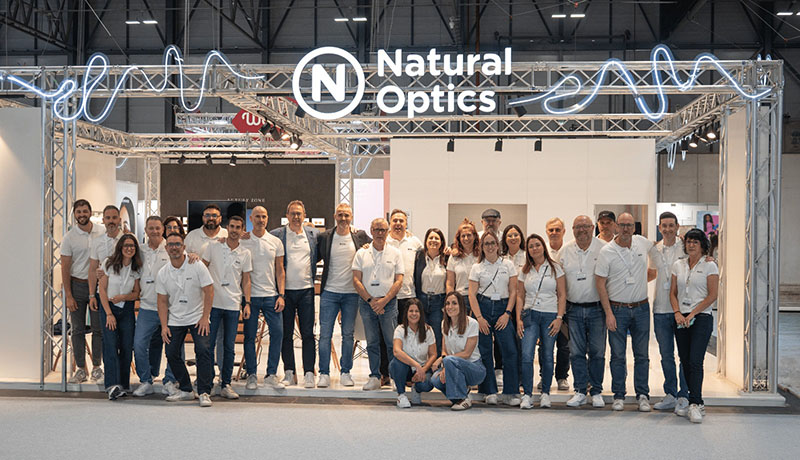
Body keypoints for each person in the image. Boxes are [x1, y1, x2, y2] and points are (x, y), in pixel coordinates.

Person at [595, 212, 653, 412]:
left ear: (634, 228)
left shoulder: (642, 243)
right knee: (618, 355)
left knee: (642, 355)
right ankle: (619, 394)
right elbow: (600, 283)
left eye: (629, 225)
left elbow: (662, 248)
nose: (626, 229)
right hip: (617, 309)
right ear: (616, 227)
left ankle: (643, 395)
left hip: (641, 309)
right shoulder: (607, 251)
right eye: (622, 225)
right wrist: (608, 313)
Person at [157, 232, 215, 407]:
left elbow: (209, 290)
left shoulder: (196, 265)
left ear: (184, 247)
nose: (174, 247)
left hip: (198, 317)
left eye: (177, 244)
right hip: (175, 319)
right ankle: (186, 390)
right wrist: (164, 326)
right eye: (171, 244)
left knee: (203, 350)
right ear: (166, 248)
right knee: (171, 353)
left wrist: (205, 317)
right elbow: (162, 301)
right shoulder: (163, 273)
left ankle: (204, 392)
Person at [317, 203, 371, 388]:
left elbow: (379, 244)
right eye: (340, 215)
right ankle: (324, 373)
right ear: (335, 216)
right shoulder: (325, 237)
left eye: (346, 215)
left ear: (351, 217)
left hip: (351, 294)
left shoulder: (359, 236)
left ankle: (345, 372)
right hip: (329, 293)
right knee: (325, 335)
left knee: (348, 335)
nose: (343, 218)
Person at [557, 216, 607, 408]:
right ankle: (579, 390)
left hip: (597, 309)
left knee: (597, 352)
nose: (582, 230)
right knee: (576, 352)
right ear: (572, 229)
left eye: (586, 226)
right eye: (578, 227)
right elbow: (558, 282)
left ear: (593, 228)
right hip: (574, 309)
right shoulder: (564, 251)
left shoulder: (604, 249)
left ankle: (596, 391)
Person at [670, 229, 719, 423]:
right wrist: (677, 313)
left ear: (702, 245)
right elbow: (673, 293)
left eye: (695, 242)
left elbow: (712, 295)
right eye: (689, 241)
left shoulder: (710, 266)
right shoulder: (678, 265)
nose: (691, 245)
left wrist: (693, 313)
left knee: (696, 361)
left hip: (701, 318)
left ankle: (695, 403)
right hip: (681, 318)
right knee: (685, 361)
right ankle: (696, 402)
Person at [270, 200, 319, 388]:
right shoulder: (277, 235)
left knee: (308, 334)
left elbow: (331, 241)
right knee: (286, 334)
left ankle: (309, 373)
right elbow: (260, 239)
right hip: (285, 292)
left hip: (306, 290)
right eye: (293, 213)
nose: (296, 217)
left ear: (304, 215)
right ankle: (289, 372)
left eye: (299, 213)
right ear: (287, 216)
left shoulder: (313, 234)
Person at [203, 215, 252, 400]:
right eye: (232, 226)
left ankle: (225, 384)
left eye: (238, 227)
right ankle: (207, 383)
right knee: (209, 345)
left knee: (229, 347)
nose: (234, 230)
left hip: (233, 305)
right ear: (227, 227)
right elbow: (202, 268)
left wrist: (247, 303)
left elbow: (246, 280)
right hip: (213, 304)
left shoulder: (245, 253)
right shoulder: (213, 246)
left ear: (242, 230)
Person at [468, 231, 520, 406]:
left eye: (492, 243)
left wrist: (507, 314)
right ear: (482, 247)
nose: (490, 246)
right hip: (483, 307)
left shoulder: (508, 265)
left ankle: (510, 392)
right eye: (486, 244)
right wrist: (479, 318)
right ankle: (488, 390)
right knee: (484, 351)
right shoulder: (477, 268)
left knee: (510, 350)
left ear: (498, 245)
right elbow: (472, 294)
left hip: (502, 308)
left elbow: (513, 291)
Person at [352, 218, 404, 391]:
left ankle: (394, 376)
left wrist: (384, 301)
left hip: (388, 304)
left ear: (387, 232)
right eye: (377, 230)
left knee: (391, 342)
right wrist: (370, 300)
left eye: (383, 230)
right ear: (371, 231)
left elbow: (399, 280)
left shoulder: (395, 253)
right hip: (367, 304)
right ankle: (375, 376)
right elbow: (356, 280)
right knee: (372, 342)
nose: (380, 233)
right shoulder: (361, 253)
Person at [240, 206, 286, 391]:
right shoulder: (243, 241)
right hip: (250, 297)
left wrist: (281, 295)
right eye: (257, 216)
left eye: (264, 216)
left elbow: (280, 270)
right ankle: (251, 374)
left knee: (278, 333)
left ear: (267, 218)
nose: (261, 219)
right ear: (251, 218)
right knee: (249, 336)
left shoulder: (275, 242)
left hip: (271, 296)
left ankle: (271, 374)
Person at [517, 234, 566, 409]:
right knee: (526, 355)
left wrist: (559, 318)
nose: (534, 248)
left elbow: (562, 295)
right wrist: (518, 319)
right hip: (529, 315)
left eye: (537, 245)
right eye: (531, 246)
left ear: (543, 247)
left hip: (550, 315)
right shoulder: (525, 270)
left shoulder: (555, 268)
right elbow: (520, 296)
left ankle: (545, 393)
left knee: (547, 355)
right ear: (527, 250)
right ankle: (527, 394)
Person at [132, 216, 179, 397]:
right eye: (151, 228)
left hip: (170, 308)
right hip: (147, 307)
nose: (154, 231)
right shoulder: (140, 251)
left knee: (174, 347)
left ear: (163, 229)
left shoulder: (171, 248)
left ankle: (170, 381)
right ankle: (146, 380)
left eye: (158, 228)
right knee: (139, 344)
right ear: (146, 230)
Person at [647, 211, 689, 412]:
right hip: (661, 309)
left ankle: (684, 395)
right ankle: (670, 394)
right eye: (664, 225)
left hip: (682, 309)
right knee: (666, 355)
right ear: (659, 227)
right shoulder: (654, 250)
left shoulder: (686, 247)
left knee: (684, 354)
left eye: (671, 225)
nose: (668, 229)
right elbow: (650, 273)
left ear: (677, 226)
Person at [61, 199, 105, 384]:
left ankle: (97, 368)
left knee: (98, 329)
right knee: (77, 330)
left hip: (98, 286)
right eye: (78, 212)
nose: (82, 215)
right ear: (74, 215)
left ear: (90, 212)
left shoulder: (102, 232)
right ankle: (80, 369)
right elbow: (65, 267)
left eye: (85, 211)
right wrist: (68, 295)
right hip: (77, 286)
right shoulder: (69, 237)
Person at [98, 234, 142, 400]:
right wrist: (109, 314)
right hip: (108, 308)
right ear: (120, 248)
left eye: (132, 246)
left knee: (126, 346)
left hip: (126, 309)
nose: (129, 249)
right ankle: (112, 385)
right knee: (110, 346)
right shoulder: (109, 264)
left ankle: (123, 384)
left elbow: (136, 293)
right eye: (126, 245)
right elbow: (102, 290)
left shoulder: (136, 268)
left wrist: (123, 297)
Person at [86, 205, 124, 382]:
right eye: (108, 218)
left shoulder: (128, 240)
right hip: (103, 296)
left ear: (119, 220)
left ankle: (122, 377)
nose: (111, 221)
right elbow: (92, 268)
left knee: (124, 340)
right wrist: (91, 295)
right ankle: (110, 378)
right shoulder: (97, 242)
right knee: (107, 339)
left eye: (114, 217)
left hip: (123, 297)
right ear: (103, 220)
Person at [430, 292, 485, 410]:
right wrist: (445, 367)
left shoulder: (472, 323)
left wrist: (445, 361)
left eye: (454, 303)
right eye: (447, 303)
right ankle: (463, 397)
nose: (450, 307)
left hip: (474, 368)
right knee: (435, 380)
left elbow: (466, 354)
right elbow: (444, 350)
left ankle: (461, 398)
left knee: (449, 360)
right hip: (452, 365)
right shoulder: (444, 323)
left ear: (461, 306)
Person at [390, 299, 436, 408]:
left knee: (427, 384)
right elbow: (397, 351)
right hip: (405, 368)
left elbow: (433, 354)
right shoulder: (400, 329)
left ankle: (416, 388)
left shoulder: (428, 330)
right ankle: (401, 395)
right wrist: (416, 365)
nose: (414, 314)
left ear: (421, 313)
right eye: (411, 311)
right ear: (406, 313)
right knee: (396, 363)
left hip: (422, 369)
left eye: (417, 311)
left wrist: (422, 369)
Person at [543, 217, 570, 391]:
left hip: (565, 305)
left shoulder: (569, 250)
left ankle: (562, 377)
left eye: (557, 230)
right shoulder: (541, 250)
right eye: (551, 230)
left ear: (563, 232)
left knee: (564, 344)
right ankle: (544, 377)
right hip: (545, 306)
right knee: (545, 345)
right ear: (546, 232)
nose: (554, 233)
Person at [413, 228, 448, 355]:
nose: (433, 240)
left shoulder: (447, 257)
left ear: (441, 242)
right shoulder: (419, 257)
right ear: (426, 241)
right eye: (431, 238)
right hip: (422, 300)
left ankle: (437, 363)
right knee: (422, 334)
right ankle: (423, 363)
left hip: (438, 302)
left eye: (437, 238)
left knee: (437, 334)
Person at [387, 209, 424, 318]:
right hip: (388, 297)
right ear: (390, 223)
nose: (398, 223)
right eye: (395, 221)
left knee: (408, 328)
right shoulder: (384, 242)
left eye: (401, 221)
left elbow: (430, 252)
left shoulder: (414, 241)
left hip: (408, 295)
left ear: (406, 224)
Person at [446, 219, 479, 296]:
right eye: (463, 236)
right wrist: (451, 298)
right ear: (459, 238)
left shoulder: (481, 255)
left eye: (469, 235)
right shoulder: (454, 257)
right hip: (460, 297)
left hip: (478, 297)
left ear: (474, 236)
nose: (466, 238)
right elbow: (450, 284)